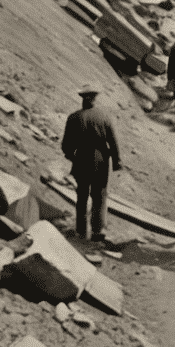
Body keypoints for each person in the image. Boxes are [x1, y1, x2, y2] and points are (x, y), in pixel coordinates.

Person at [60, 84, 120, 242]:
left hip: (81, 159)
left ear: (82, 98)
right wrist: (117, 161)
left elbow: (66, 145)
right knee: (99, 196)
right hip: (101, 161)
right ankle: (97, 231)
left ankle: (80, 230)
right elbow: (113, 141)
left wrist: (72, 156)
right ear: (95, 97)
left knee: (82, 196)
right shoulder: (104, 116)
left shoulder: (74, 117)